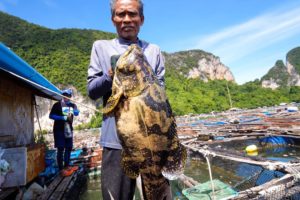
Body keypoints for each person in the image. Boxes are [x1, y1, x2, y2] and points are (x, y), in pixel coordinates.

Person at [87, 0, 170, 199]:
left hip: (154, 143)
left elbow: (161, 95)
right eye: (120, 14)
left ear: (141, 19)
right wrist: (110, 75)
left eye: (132, 14)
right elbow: (92, 91)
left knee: (159, 193)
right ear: (113, 19)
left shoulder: (154, 50)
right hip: (116, 143)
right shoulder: (101, 47)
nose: (126, 20)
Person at [49, 88, 79, 171]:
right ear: (62, 95)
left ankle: (67, 165)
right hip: (59, 130)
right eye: (64, 95)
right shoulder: (57, 105)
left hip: (68, 129)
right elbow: (51, 116)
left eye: (68, 95)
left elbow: (77, 113)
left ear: (70, 96)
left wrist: (75, 111)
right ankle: (61, 168)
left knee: (68, 148)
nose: (66, 96)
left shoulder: (73, 105)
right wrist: (61, 117)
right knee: (60, 148)